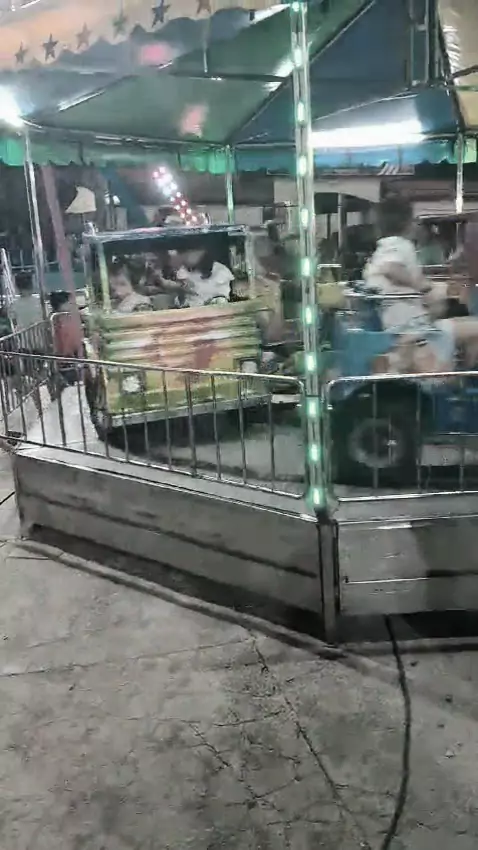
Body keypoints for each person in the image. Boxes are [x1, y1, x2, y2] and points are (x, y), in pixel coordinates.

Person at [362, 195, 478, 372]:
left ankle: (465, 374)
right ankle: (466, 376)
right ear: (408, 223)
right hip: (414, 328)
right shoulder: (399, 244)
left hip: (409, 325)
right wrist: (424, 287)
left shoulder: (381, 250)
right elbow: (391, 268)